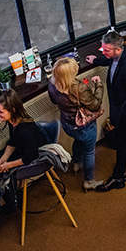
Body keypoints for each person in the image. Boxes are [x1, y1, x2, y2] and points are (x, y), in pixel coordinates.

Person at [86, 31, 126, 192]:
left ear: (118, 50)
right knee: (123, 141)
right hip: (121, 110)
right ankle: (118, 175)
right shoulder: (117, 56)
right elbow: (110, 62)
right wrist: (97, 60)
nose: (103, 51)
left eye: (106, 50)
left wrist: (122, 114)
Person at [47, 57, 104, 191]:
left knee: (78, 140)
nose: (77, 68)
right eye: (75, 69)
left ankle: (76, 162)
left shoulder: (51, 83)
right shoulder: (79, 88)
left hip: (67, 123)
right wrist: (98, 85)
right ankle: (89, 181)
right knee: (89, 152)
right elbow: (95, 105)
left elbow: (54, 102)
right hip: (84, 126)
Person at [0, 90, 48, 188]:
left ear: (12, 110)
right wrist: (3, 160)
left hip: (30, 154)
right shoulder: (12, 122)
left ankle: (9, 198)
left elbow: (31, 156)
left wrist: (8, 165)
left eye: (1, 112)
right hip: (20, 149)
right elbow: (12, 142)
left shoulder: (24, 130)